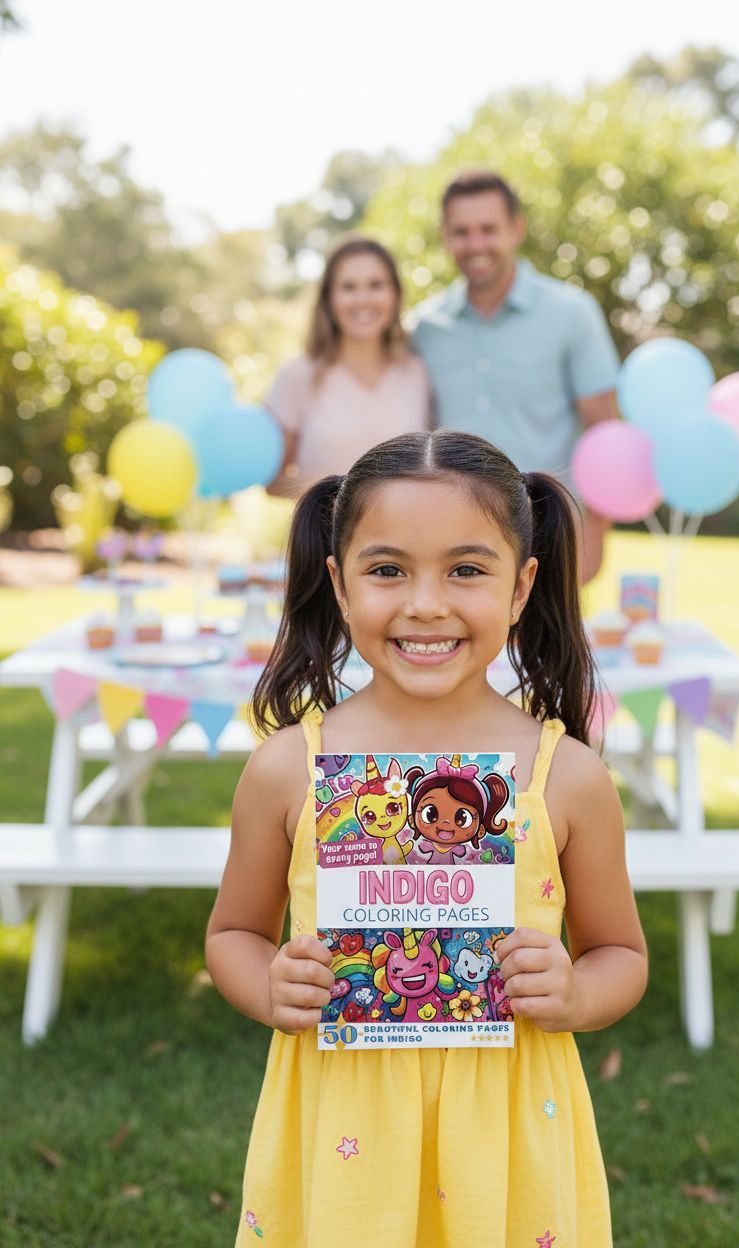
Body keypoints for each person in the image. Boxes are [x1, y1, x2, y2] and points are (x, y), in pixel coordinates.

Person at [205, 429, 647, 1248]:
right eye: (388, 570)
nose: (426, 604)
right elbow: (232, 932)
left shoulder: (566, 777)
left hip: (504, 1133)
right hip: (344, 1128)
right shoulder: (288, 769)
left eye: (466, 570)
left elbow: (620, 952)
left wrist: (578, 994)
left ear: (521, 587)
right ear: (340, 585)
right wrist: (269, 984)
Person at [411, 170, 620, 583]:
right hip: (453, 544)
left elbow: (605, 434)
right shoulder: (424, 328)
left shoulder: (572, 314)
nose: (476, 244)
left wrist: (595, 536)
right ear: (446, 237)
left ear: (516, 230)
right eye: (462, 232)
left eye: (488, 229)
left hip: (552, 537)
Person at [264, 235, 430, 494]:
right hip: (324, 523)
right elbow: (272, 481)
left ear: (395, 294)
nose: (363, 299)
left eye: (376, 285)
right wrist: (343, 496)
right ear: (329, 299)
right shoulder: (297, 375)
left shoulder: (416, 371)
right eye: (348, 287)